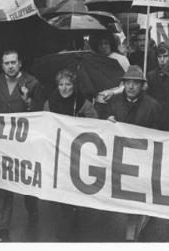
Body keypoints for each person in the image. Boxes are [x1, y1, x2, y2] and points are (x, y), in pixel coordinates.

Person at [0, 49, 44, 242]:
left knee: (27, 186)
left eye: (13, 62)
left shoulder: (32, 83)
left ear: (20, 63)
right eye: (6, 63)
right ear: (2, 65)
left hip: (25, 144)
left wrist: (28, 101)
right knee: (3, 187)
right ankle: (1, 228)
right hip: (4, 144)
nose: (10, 66)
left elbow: (41, 111)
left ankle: (32, 209)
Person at [97, 65, 162, 241]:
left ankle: (132, 236)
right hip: (120, 162)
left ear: (142, 86)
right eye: (128, 83)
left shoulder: (153, 106)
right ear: (123, 84)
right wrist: (107, 122)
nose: (131, 86)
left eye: (136, 83)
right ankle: (132, 235)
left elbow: (158, 136)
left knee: (138, 200)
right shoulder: (113, 103)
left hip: (142, 161)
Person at [46, 69, 97, 241]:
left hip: (76, 152)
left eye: (68, 84)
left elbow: (94, 119)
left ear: (74, 86)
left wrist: (80, 122)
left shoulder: (81, 101)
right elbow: (45, 122)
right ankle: (64, 227)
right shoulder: (50, 102)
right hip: (58, 151)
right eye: (61, 84)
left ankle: (71, 220)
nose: (64, 88)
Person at [146, 45, 169, 131]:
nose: (162, 60)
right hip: (156, 116)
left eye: (165, 56)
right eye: (159, 57)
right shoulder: (150, 75)